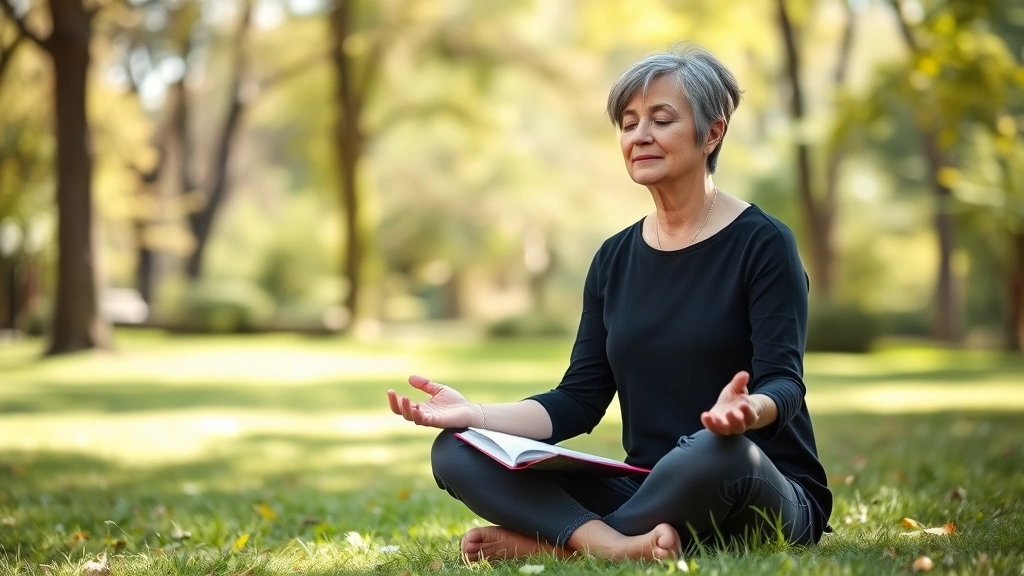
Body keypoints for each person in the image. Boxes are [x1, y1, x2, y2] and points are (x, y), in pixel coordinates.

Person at [386, 44, 831, 562]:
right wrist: (475, 415)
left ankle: (560, 545)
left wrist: (750, 411)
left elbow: (785, 381)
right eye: (628, 122)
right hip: (649, 486)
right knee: (458, 449)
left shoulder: (763, 243)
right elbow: (578, 399)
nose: (639, 136)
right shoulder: (614, 258)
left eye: (661, 120)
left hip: (755, 480)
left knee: (717, 452)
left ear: (712, 133)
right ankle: (616, 545)